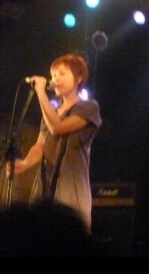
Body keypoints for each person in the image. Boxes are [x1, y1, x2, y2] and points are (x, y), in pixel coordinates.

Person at [6, 53, 102, 232]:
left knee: (69, 236)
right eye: (53, 75)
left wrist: (41, 92)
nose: (56, 79)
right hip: (45, 185)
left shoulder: (89, 108)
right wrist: (25, 163)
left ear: (79, 78)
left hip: (71, 187)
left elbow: (57, 128)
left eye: (62, 74)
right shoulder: (51, 113)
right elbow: (40, 145)